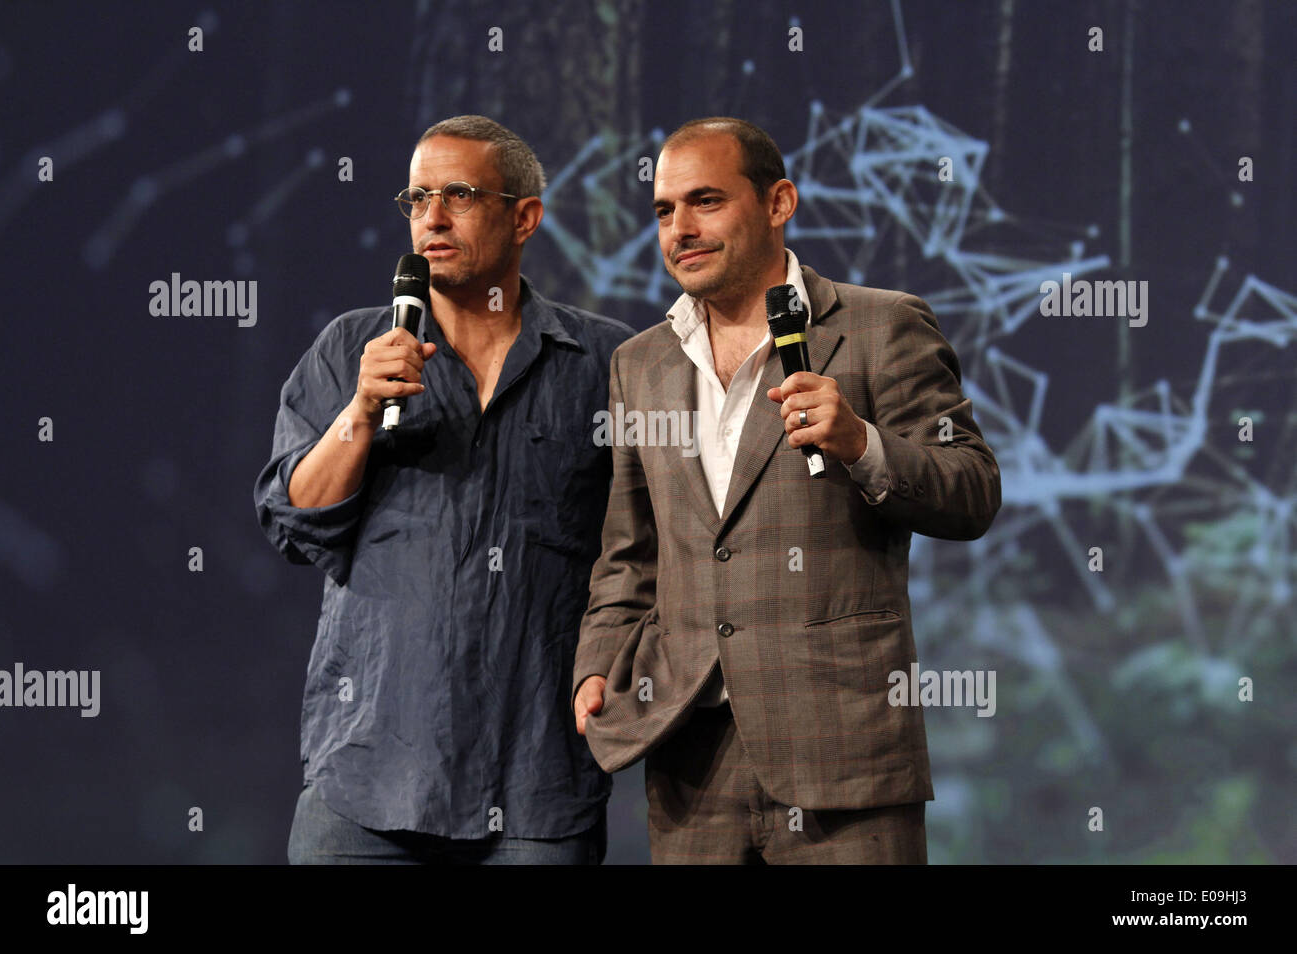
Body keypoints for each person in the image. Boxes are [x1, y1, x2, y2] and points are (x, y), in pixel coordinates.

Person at [572, 117, 1001, 864]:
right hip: (690, 758)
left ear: (779, 203)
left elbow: (972, 489)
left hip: (843, 751)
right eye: (664, 210)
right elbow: (630, 548)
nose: (681, 229)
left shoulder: (879, 326)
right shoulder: (640, 365)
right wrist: (599, 660)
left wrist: (862, 443)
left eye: (705, 201)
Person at [254, 115, 634, 864]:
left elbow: (649, 545)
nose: (430, 218)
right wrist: (360, 412)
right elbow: (293, 519)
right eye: (416, 197)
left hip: (536, 784)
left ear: (525, 217)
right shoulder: (352, 348)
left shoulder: (606, 363)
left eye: (458, 195)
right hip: (368, 782)